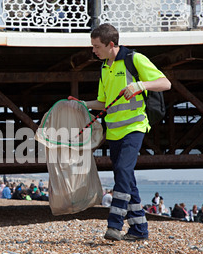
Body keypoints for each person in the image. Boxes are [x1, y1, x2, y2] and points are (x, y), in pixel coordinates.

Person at [69, 23, 171, 241]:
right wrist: (83, 104)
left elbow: (165, 83)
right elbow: (103, 102)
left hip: (135, 127)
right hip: (113, 131)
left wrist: (140, 85)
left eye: (96, 46)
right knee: (127, 178)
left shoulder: (135, 59)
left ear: (111, 44)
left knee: (123, 172)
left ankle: (114, 224)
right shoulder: (104, 67)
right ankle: (139, 230)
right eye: (93, 46)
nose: (93, 50)